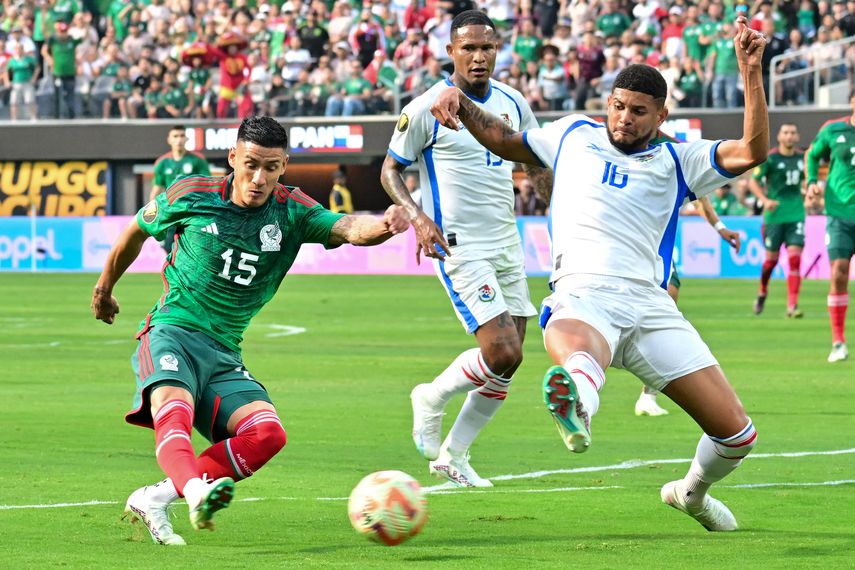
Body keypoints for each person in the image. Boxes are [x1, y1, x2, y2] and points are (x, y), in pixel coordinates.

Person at [429, 16, 768, 530]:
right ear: (606, 103)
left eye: (637, 111)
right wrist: (461, 100)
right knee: (582, 355)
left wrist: (750, 71)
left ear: (661, 114)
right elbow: (503, 139)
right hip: (583, 293)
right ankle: (577, 405)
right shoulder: (572, 135)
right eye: (617, 106)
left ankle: (690, 495)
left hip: (653, 309)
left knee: (737, 435)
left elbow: (752, 151)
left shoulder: (681, 159)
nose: (624, 118)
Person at [90, 116, 409, 546]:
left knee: (267, 434)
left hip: (224, 352)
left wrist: (386, 225)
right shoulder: (193, 194)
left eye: (271, 167)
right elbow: (135, 231)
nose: (259, 178)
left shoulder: (293, 211)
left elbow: (349, 228)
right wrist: (105, 288)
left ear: (284, 166)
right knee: (175, 412)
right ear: (233, 158)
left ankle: (158, 496)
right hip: (172, 331)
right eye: (251, 164)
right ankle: (197, 491)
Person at [380, 10, 551, 488]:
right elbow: (389, 171)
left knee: (512, 357)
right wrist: (418, 218)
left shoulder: (514, 103)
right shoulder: (425, 107)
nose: (479, 56)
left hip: (506, 242)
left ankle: (455, 454)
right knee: (499, 351)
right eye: (469, 48)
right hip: (458, 244)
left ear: (498, 51)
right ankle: (431, 397)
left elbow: (535, 161)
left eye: (487, 47)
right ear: (451, 52)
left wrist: (561, 208)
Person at [806, 90, 855, 363]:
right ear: (852, 101)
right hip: (839, 214)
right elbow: (813, 155)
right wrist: (813, 180)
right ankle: (838, 341)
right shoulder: (834, 130)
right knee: (838, 272)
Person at [748, 124, 806, 318]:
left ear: (797, 137)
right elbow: (753, 181)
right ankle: (763, 290)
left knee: (795, 260)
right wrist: (764, 200)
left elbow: (807, 180)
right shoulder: (770, 158)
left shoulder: (802, 158)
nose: (790, 136)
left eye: (793, 133)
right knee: (770, 262)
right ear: (779, 137)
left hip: (796, 213)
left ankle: (792, 305)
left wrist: (810, 191)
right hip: (775, 216)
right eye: (786, 133)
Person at [150, 126, 212, 253]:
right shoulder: (162, 162)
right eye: (175, 136)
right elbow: (156, 189)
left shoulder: (198, 160)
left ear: (187, 139)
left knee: (196, 249)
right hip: (171, 212)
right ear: (169, 140)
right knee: (169, 248)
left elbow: (208, 186)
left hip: (193, 212)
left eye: (182, 136)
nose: (179, 139)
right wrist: (153, 212)